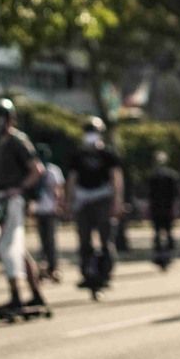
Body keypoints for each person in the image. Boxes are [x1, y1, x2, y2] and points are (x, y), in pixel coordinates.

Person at [0, 98, 48, 314]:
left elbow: (37, 170)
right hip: (2, 199)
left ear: (9, 119)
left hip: (14, 201)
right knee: (18, 249)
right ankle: (36, 294)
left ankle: (16, 296)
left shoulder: (17, 141)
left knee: (8, 247)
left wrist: (19, 189)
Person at [67, 116, 124, 292]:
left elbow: (116, 178)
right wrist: (70, 202)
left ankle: (105, 273)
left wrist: (117, 201)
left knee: (106, 239)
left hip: (103, 198)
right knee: (84, 239)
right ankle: (87, 273)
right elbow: (72, 179)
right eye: (88, 132)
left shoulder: (108, 154)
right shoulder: (78, 155)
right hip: (83, 199)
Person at [32, 143, 65, 282]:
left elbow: (58, 190)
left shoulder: (52, 170)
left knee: (49, 240)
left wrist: (59, 205)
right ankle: (45, 267)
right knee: (44, 240)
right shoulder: (42, 170)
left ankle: (53, 267)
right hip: (40, 209)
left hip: (49, 209)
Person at [148, 150, 180, 267]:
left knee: (168, 232)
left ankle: (169, 253)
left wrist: (175, 207)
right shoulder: (153, 176)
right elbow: (150, 194)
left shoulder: (171, 176)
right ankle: (159, 254)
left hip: (167, 208)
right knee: (158, 233)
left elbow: (176, 194)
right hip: (157, 208)